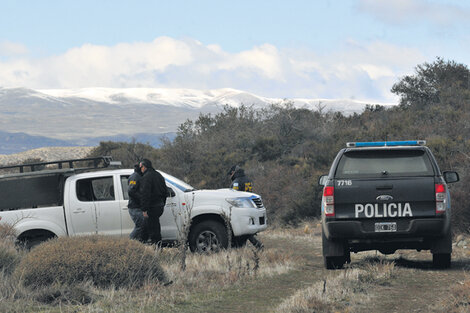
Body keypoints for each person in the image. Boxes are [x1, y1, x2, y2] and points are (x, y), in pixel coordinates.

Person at [227, 165, 263, 250]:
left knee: (242, 229)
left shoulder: (236, 182)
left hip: (240, 207)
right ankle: (245, 246)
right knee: (246, 229)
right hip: (249, 206)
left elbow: (233, 195)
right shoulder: (248, 180)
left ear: (233, 173)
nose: (230, 176)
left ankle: (257, 244)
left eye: (230, 174)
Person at [140, 158, 168, 246]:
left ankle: (157, 247)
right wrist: (163, 203)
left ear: (144, 167)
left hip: (152, 207)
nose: (141, 169)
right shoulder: (159, 175)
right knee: (146, 227)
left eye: (141, 167)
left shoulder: (146, 177)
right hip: (159, 205)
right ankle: (141, 245)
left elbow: (145, 194)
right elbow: (165, 191)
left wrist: (144, 209)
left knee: (153, 229)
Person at [127, 163, 148, 242]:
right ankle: (130, 242)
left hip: (138, 207)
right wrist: (142, 198)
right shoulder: (135, 177)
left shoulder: (139, 176)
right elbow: (131, 191)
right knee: (141, 225)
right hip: (135, 207)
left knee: (144, 226)